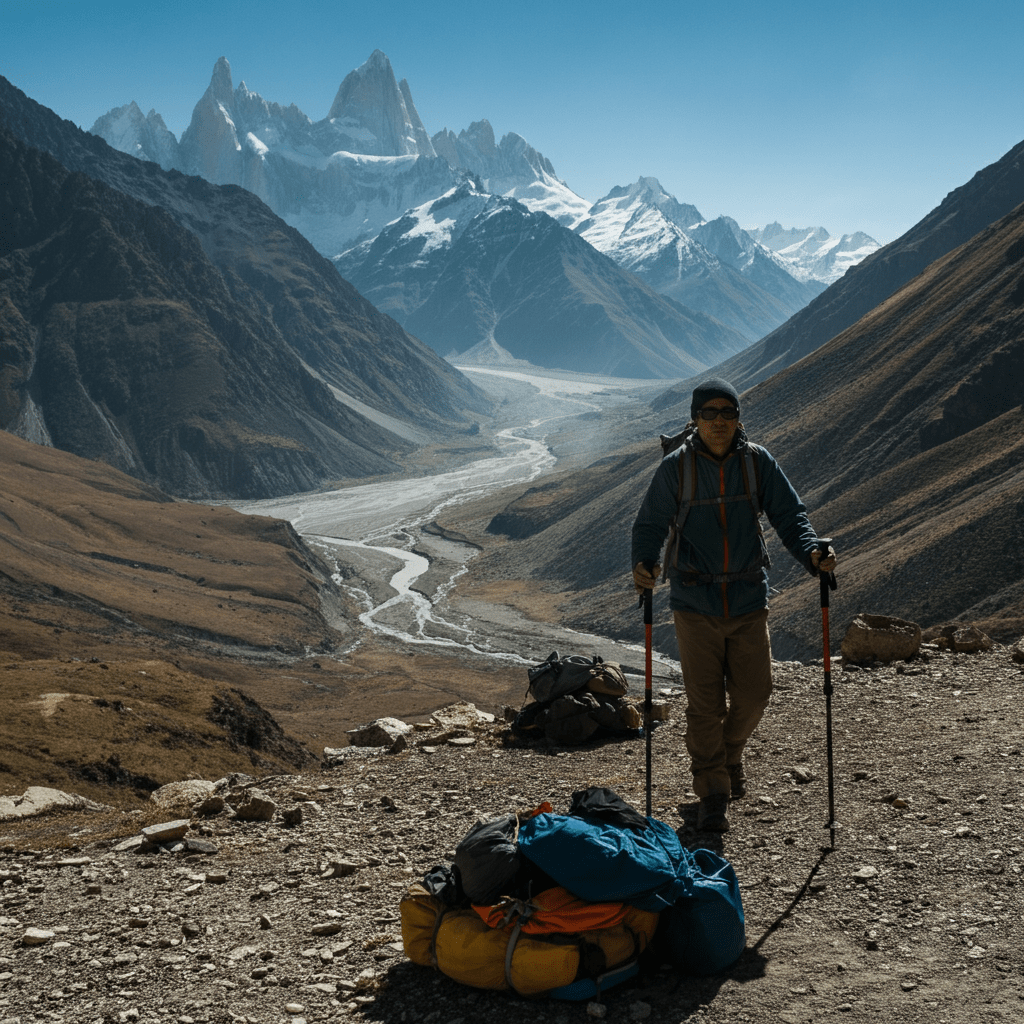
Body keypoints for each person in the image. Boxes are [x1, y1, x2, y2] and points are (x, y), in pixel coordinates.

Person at [631, 378, 836, 833]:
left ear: (738, 418)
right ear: (695, 419)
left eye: (729, 413)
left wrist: (812, 554)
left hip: (747, 597)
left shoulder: (756, 462)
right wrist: (644, 563)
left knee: (754, 694)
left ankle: (729, 755)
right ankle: (713, 792)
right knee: (705, 704)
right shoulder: (676, 469)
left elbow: (789, 515)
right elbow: (650, 523)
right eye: (710, 413)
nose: (720, 421)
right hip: (693, 600)